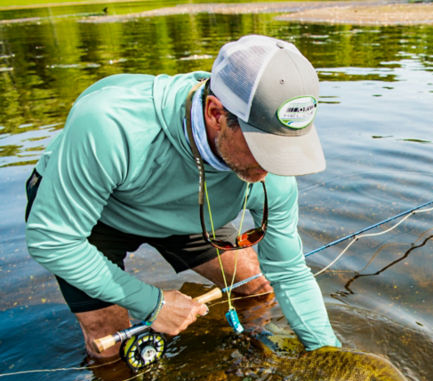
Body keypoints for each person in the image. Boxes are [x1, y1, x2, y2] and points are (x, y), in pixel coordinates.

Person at [25, 35, 340, 360]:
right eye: (265, 149)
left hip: (195, 211)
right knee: (109, 344)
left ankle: (252, 354)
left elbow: (287, 270)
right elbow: (53, 241)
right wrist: (153, 304)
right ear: (216, 113)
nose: (273, 168)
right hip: (99, 216)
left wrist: (330, 357)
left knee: (257, 287)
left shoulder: (271, 174)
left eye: (287, 150)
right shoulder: (110, 126)